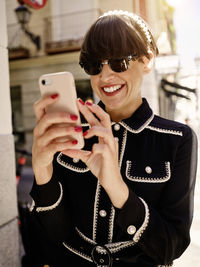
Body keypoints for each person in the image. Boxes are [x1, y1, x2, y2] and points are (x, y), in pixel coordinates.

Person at [30, 10, 198, 267]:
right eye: (95, 65)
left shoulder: (177, 139)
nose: (105, 76)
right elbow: (54, 234)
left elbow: (170, 247)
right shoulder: (69, 132)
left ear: (147, 60)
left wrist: (118, 189)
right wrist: (42, 171)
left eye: (119, 61)